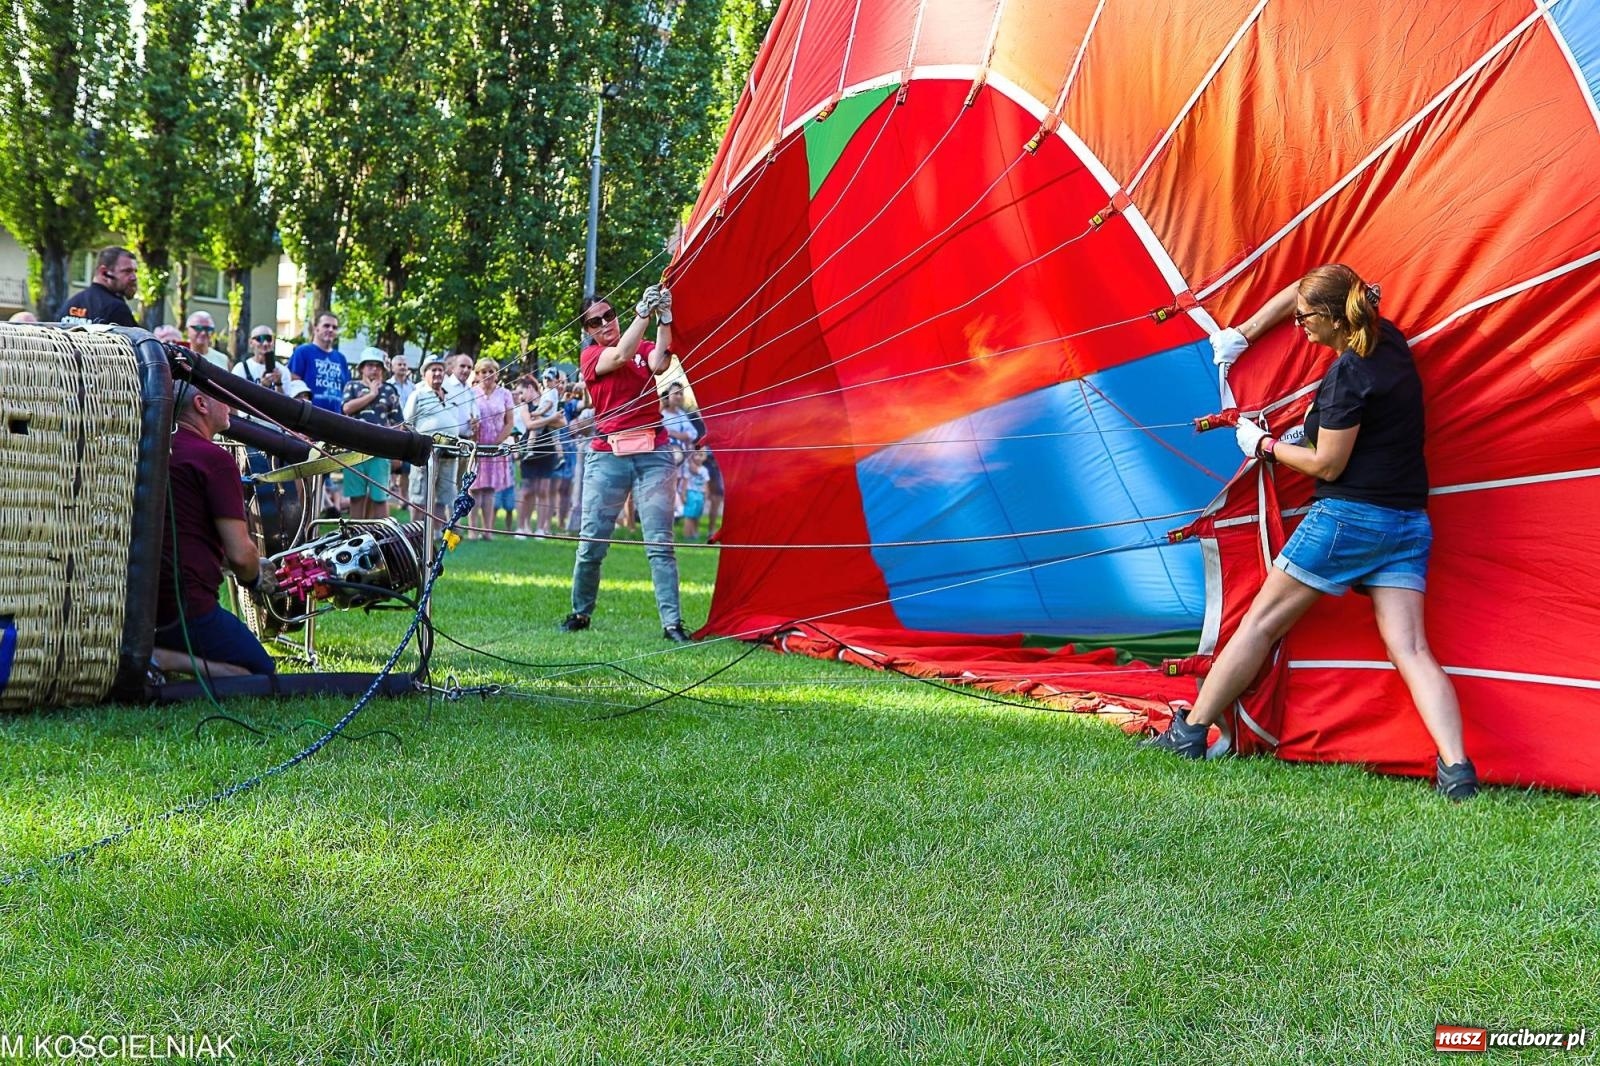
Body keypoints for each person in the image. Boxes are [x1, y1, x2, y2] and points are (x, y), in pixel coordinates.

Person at [1146, 263, 1476, 799]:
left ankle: (1188, 732)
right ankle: (1457, 771)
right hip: (1408, 525)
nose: (1299, 328)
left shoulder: (1350, 375)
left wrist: (1264, 446)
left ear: (1330, 318)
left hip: (1348, 520)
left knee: (1258, 624)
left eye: (1304, 322)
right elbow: (1301, 291)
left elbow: (1327, 465)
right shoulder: (1387, 339)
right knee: (1411, 648)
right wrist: (1245, 334)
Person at [562, 284, 689, 641]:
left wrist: (665, 318)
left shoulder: (641, 346)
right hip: (607, 456)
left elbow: (660, 362)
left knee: (660, 543)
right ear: (587, 330)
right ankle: (580, 613)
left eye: (608, 316)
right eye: (595, 322)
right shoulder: (590, 357)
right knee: (592, 543)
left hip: (654, 454)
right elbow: (619, 356)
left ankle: (672, 624)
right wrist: (643, 315)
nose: (604, 324)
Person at [152, 380, 275, 677]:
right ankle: (160, 659)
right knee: (259, 673)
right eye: (223, 398)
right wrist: (256, 576)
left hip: (141, 607)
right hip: (187, 609)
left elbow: (185, 533)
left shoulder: (153, 448)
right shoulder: (215, 460)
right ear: (201, 405)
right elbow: (240, 555)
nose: (230, 406)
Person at [341, 348, 404, 520]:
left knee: (380, 497)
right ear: (362, 368)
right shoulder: (352, 386)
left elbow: (398, 423)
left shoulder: (390, 390)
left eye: (378, 366)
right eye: (370, 365)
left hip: (380, 452)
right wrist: (372, 394)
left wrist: (397, 452)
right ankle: (355, 538)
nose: (374, 369)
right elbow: (346, 408)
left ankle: (382, 538)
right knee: (356, 497)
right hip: (353, 451)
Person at [404, 356, 464, 521]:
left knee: (444, 496)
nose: (438, 373)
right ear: (424, 374)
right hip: (425, 454)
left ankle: (436, 534)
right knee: (419, 495)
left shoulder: (451, 396)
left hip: (450, 453)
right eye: (433, 370)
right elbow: (407, 423)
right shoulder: (417, 395)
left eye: (440, 370)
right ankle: (416, 532)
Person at [468, 358, 515, 540]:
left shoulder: (505, 394)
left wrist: (496, 442)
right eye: (483, 371)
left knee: (489, 489)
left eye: (491, 371)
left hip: (495, 445)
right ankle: (473, 530)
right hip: (476, 445)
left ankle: (488, 530)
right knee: (474, 487)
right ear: (477, 374)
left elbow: (509, 422)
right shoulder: (472, 393)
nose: (487, 375)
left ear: (497, 373)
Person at [288, 311, 348, 413]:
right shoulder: (303, 351)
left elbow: (345, 390)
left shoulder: (341, 358)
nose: (330, 330)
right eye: (326, 326)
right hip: (309, 415)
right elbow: (294, 382)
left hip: (336, 418)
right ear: (316, 328)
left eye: (334, 327)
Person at [61, 246, 138, 327]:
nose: (134, 277)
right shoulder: (117, 309)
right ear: (104, 272)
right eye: (127, 271)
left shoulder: (70, 305)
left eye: (135, 271)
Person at [233, 325, 283, 391]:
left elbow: (287, 400)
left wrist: (278, 384)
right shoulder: (240, 369)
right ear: (250, 343)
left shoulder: (282, 370)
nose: (265, 343)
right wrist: (262, 386)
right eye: (260, 339)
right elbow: (235, 396)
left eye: (269, 339)